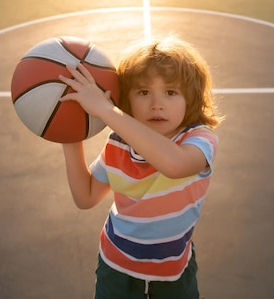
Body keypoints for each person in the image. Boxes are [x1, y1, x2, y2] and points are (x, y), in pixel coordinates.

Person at [59, 35, 222, 299]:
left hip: (174, 270)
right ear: (128, 99)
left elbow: (174, 164)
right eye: (143, 92)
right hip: (116, 267)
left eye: (170, 92)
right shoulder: (119, 145)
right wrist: (69, 135)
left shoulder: (199, 140)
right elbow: (85, 197)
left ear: (190, 98)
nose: (156, 104)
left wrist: (106, 110)